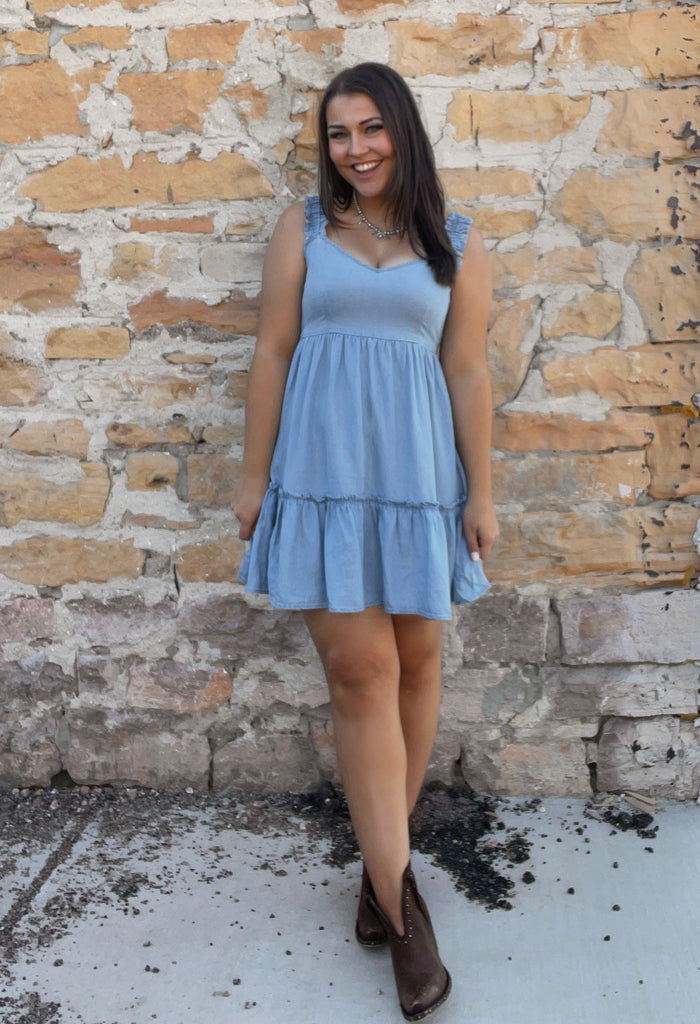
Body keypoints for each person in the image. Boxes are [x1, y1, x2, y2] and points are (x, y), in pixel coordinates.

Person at [232, 62, 497, 1021]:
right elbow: (273, 349)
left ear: (402, 131)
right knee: (361, 672)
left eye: (372, 128)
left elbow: (467, 371)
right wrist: (253, 476)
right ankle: (403, 910)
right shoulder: (304, 230)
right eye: (339, 133)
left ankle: (381, 868)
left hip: (419, 484)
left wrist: (482, 492)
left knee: (417, 668)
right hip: (323, 477)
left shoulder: (454, 240)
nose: (356, 149)